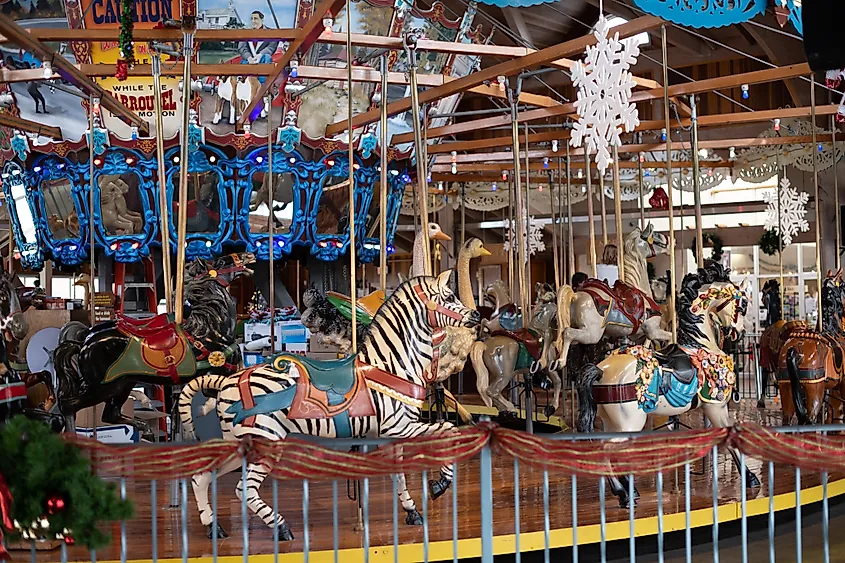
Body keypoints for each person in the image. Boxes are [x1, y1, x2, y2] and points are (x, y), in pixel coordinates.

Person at [237, 11, 279, 84]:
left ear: (262, 20)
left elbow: (271, 47)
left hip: (262, 59)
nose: (253, 21)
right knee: (243, 63)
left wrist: (260, 55)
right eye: (252, 19)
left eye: (255, 18)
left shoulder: (270, 32)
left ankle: (262, 85)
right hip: (249, 60)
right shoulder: (246, 32)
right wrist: (249, 58)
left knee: (267, 57)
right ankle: (242, 84)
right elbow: (242, 48)